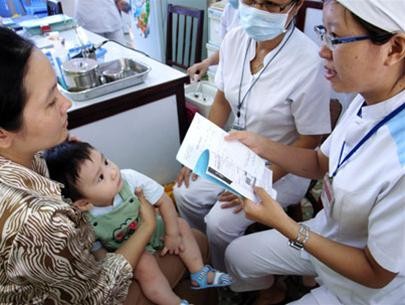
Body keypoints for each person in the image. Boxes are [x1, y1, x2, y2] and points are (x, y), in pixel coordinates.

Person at [0, 27, 208, 305]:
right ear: (3, 134)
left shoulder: (27, 160)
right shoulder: (39, 221)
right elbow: (98, 295)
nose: (67, 103)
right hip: (94, 292)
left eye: (58, 90)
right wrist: (146, 225)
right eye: (51, 102)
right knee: (197, 241)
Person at [225, 0, 405, 304]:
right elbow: (319, 162)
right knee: (236, 256)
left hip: (365, 285)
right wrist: (261, 144)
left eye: (335, 37)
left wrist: (284, 224)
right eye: (324, 33)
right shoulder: (366, 99)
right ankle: (275, 289)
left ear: (394, 48)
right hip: (327, 233)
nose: (323, 50)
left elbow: (376, 273)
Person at [174, 0, 331, 273]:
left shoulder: (309, 62)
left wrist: (258, 180)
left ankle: (230, 275)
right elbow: (222, 100)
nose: (257, 10)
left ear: (294, 7)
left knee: (220, 222)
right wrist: (198, 149)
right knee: (184, 192)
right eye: (250, 0)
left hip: (284, 165)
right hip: (235, 149)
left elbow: (311, 139)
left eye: (270, 5)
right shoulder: (235, 39)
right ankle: (204, 257)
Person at [44, 140, 233, 305]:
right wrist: (117, 268)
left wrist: (172, 235)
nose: (112, 172)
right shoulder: (85, 219)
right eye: (100, 177)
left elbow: (163, 201)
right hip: (132, 250)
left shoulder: (130, 178)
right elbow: (100, 253)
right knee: (145, 264)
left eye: (106, 161)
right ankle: (174, 302)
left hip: (155, 231)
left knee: (181, 225)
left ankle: (199, 273)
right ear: (84, 202)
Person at [187, 0, 240, 81]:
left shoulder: (258, 18)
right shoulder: (230, 9)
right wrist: (206, 63)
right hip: (231, 77)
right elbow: (226, 49)